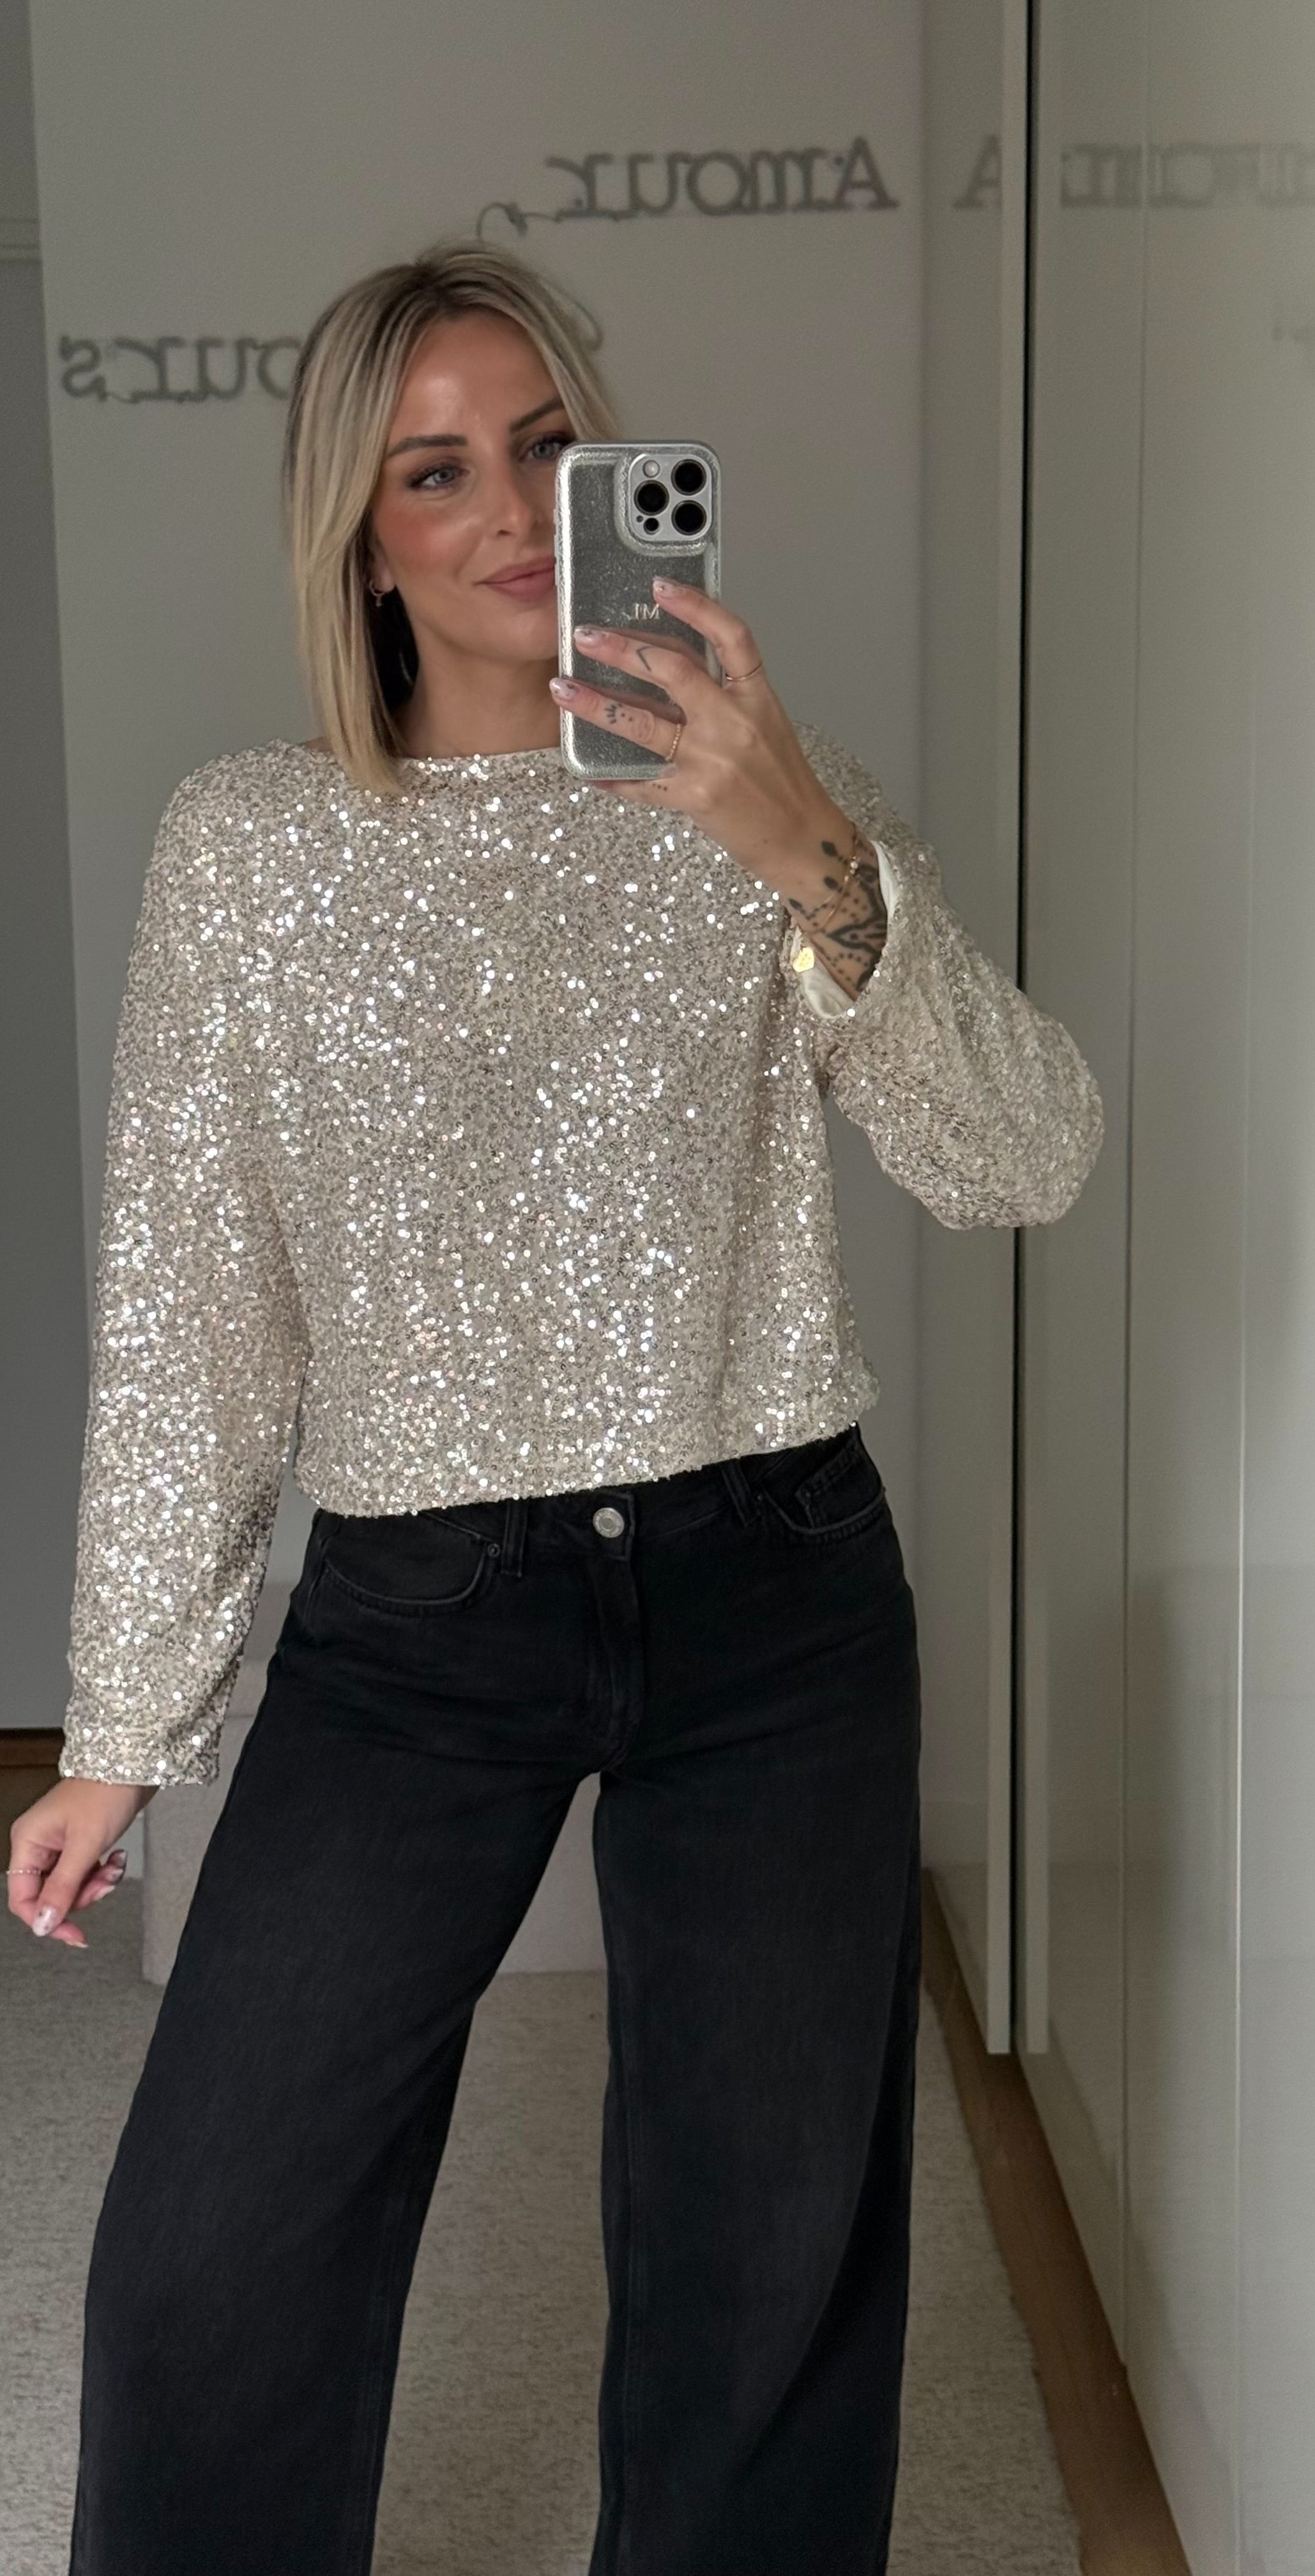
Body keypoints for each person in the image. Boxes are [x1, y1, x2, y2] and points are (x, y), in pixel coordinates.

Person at [7, 240, 1103, 2576]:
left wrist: (806, 848)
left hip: (774, 1584)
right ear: (359, 538)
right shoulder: (255, 846)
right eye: (435, 471)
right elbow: (196, 1307)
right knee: (215, 2242)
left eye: (543, 447)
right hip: (421, 1615)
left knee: (765, 2252)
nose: (509, 510)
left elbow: (1020, 1163)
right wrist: (124, 1725)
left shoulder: (763, 812)